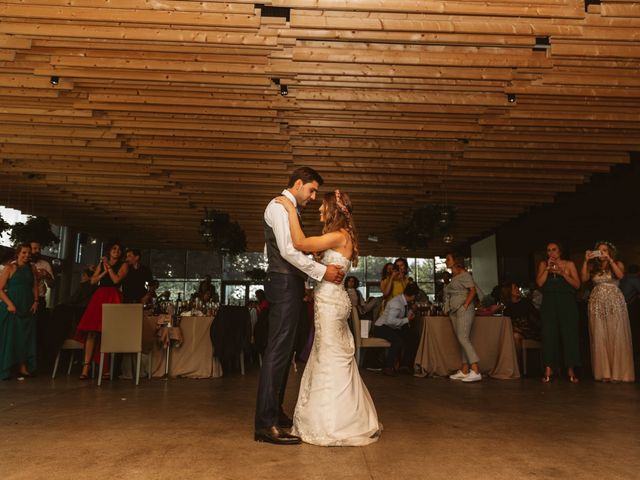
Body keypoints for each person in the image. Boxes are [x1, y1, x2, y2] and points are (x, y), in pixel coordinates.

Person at [276, 188, 381, 446]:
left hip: (332, 304)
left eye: (323, 207)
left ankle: (334, 423)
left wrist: (290, 210)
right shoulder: (342, 237)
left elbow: (299, 243)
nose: (320, 210)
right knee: (330, 355)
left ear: (333, 210)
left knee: (329, 357)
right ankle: (346, 417)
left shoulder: (338, 236)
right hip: (332, 301)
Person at [254, 167, 345, 446]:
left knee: (287, 349)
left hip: (288, 282)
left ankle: (275, 413)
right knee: (278, 350)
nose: (313, 196)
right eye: (311, 190)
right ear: (297, 184)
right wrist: (320, 272)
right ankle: (265, 424)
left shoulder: (288, 209)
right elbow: (288, 251)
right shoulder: (279, 207)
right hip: (282, 282)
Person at [580, 241, 634, 382]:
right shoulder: (593, 267)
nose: (602, 253)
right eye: (599, 250)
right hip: (597, 303)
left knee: (616, 333)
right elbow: (584, 278)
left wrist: (610, 260)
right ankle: (605, 373)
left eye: (605, 250)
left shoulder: (617, 263)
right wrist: (585, 261)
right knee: (600, 334)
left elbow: (620, 276)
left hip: (614, 301)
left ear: (610, 252)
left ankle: (619, 372)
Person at [74, 242, 129, 380]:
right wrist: (103, 269)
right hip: (99, 296)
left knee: (109, 332)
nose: (116, 251)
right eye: (114, 248)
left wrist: (108, 267)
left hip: (113, 296)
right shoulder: (102, 263)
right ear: (109, 251)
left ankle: (107, 368)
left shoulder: (124, 265)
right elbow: (93, 281)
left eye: (119, 249)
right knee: (92, 331)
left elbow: (116, 280)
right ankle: (86, 367)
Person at [536, 242, 581, 383]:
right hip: (549, 303)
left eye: (554, 250)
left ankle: (570, 369)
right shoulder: (544, 265)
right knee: (549, 334)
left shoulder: (569, 264)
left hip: (566, 303)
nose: (551, 253)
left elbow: (577, 285)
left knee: (569, 334)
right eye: (548, 250)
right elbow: (540, 283)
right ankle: (549, 368)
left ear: (560, 251)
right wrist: (547, 269)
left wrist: (563, 273)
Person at [0, 244, 38, 380]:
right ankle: (8, 367)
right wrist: (10, 304)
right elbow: (0, 289)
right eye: (24, 253)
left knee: (25, 337)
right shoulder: (10, 268)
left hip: (27, 306)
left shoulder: (32, 268)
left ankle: (23, 367)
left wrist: (35, 301)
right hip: (13, 307)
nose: (27, 255)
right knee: (11, 337)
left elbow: (34, 286)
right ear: (18, 253)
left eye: (28, 253)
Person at [444, 252, 482, 383]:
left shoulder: (464, 274)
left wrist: (465, 305)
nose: (445, 261)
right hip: (454, 311)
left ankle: (475, 369)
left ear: (455, 261)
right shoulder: (453, 276)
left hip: (462, 309)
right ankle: (465, 369)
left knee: (463, 338)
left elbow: (473, 290)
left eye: (448, 259)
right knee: (461, 339)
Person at [374, 282, 420, 376]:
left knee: (413, 337)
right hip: (381, 327)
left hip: (391, 327)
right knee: (397, 341)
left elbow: (400, 316)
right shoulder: (397, 303)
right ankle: (388, 367)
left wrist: (411, 312)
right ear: (414, 296)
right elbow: (390, 321)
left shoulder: (403, 301)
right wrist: (407, 320)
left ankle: (405, 365)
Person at [500, 281, 540, 352]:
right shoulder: (508, 309)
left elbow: (535, 319)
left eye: (517, 287)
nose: (518, 289)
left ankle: (517, 362)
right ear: (509, 292)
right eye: (515, 288)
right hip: (516, 332)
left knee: (515, 336)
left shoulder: (526, 303)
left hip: (530, 332)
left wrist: (520, 329)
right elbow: (508, 325)